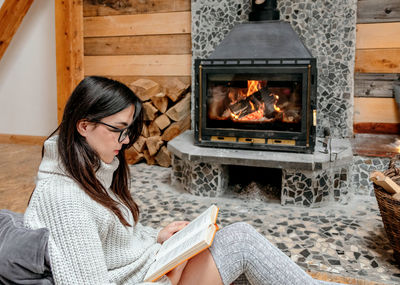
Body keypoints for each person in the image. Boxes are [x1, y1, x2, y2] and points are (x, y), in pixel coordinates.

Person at [24, 76, 342, 285]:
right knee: (242, 243)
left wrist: (156, 238)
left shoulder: (89, 170)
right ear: (83, 126)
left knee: (246, 262)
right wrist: (170, 274)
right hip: (153, 280)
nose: (125, 140)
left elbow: (111, 243)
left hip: (151, 269)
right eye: (118, 130)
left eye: (129, 130)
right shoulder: (65, 199)